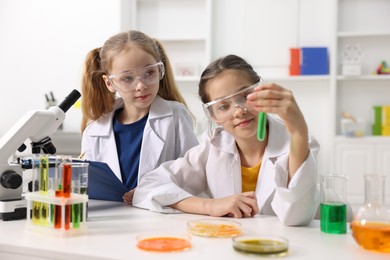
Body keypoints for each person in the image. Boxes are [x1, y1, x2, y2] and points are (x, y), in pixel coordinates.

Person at [133, 54, 320, 226]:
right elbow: (148, 186)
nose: (239, 111)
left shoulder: (298, 142)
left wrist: (299, 131)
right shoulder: (213, 146)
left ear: (261, 91)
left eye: (245, 96)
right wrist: (210, 206)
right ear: (213, 116)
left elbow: (297, 218)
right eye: (223, 106)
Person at [80, 30, 199, 204]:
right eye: (127, 78)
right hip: (114, 220)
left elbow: (193, 175)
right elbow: (89, 186)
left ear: (160, 70)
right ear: (109, 83)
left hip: (160, 215)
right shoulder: (95, 130)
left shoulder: (175, 116)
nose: (141, 85)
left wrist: (153, 192)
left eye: (149, 73)